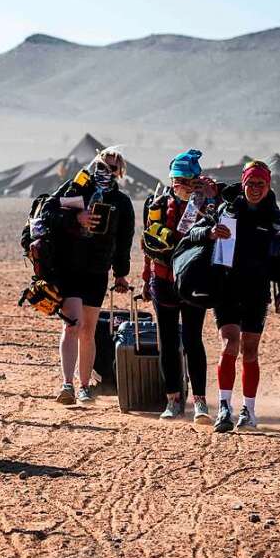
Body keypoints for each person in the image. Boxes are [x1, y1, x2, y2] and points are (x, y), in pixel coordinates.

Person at [184, 160, 280, 432]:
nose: (255, 188)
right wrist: (210, 232)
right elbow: (193, 231)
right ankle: (224, 406)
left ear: (268, 185)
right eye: (250, 183)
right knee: (229, 344)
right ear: (243, 183)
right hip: (226, 289)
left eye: (260, 184)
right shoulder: (226, 209)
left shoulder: (276, 218)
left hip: (257, 292)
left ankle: (249, 409)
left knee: (249, 350)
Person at [52, 148, 135, 404]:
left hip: (97, 271)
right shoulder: (75, 189)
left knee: (88, 330)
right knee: (72, 324)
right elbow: (50, 212)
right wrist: (76, 217)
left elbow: (124, 241)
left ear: (119, 173)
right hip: (70, 268)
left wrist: (121, 274)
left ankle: (85, 385)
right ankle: (67, 385)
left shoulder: (121, 203)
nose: (105, 172)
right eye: (102, 165)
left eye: (111, 168)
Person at [141, 150, 219, 422]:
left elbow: (221, 225)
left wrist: (211, 195)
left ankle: (199, 401)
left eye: (187, 181)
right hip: (162, 280)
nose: (181, 187)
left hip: (193, 281)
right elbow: (147, 245)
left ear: (197, 180)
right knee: (168, 341)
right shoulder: (156, 204)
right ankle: (173, 400)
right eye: (177, 181)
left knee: (193, 340)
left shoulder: (206, 204)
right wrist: (144, 279)